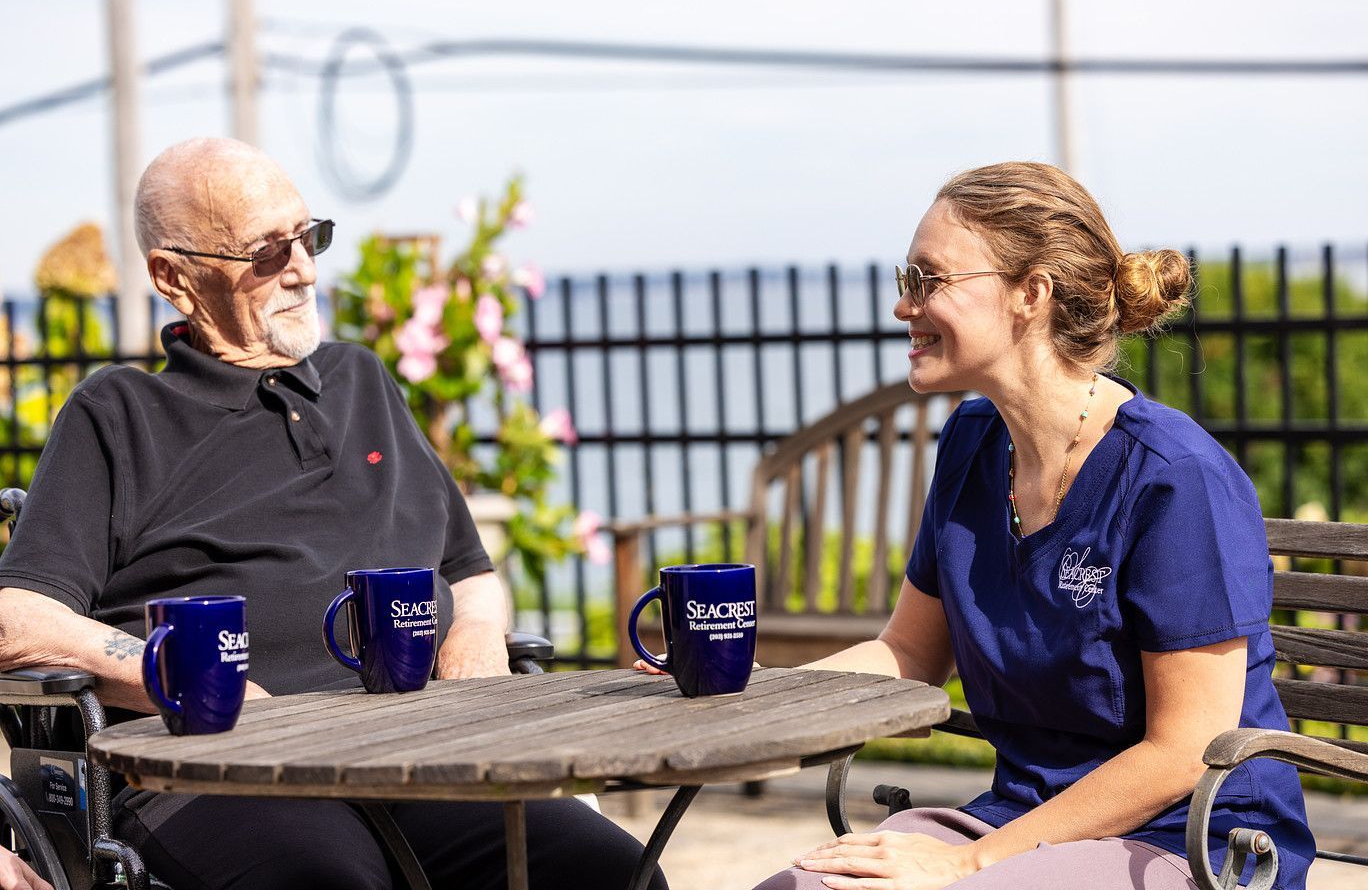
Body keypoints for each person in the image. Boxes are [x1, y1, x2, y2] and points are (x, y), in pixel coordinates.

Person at [0, 138, 666, 890]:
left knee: (610, 871)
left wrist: (478, 634)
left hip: (409, 748)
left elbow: (467, 568)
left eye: (309, 236)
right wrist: (183, 674)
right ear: (173, 278)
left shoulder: (362, 382)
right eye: (266, 252)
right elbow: (16, 618)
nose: (305, 269)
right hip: (215, 765)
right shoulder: (118, 415)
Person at [746, 162, 1313, 890]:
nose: (903, 306)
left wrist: (970, 862)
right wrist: (755, 691)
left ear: (1031, 294)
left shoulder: (1176, 477)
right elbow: (909, 653)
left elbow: (1184, 750)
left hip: (1193, 838)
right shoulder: (972, 441)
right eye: (905, 279)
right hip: (1021, 820)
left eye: (928, 279)